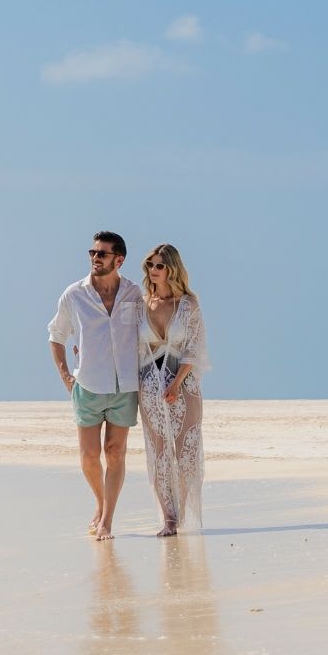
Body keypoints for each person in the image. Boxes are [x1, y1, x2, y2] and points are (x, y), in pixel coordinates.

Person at [48, 231, 146, 541]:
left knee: (115, 452)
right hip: (87, 384)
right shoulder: (74, 294)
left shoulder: (134, 294)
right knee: (90, 456)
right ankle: (101, 503)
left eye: (102, 254)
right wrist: (66, 377)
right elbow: (56, 335)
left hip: (125, 385)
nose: (95, 258)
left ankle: (107, 519)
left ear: (119, 260)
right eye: (92, 252)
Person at [135, 243, 211, 536]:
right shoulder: (140, 305)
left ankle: (186, 514)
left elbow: (195, 349)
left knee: (186, 450)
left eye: (159, 266)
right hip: (149, 384)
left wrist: (176, 384)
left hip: (184, 384)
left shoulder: (189, 304)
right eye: (150, 265)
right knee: (158, 451)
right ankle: (168, 518)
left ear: (172, 269)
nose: (153, 271)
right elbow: (129, 345)